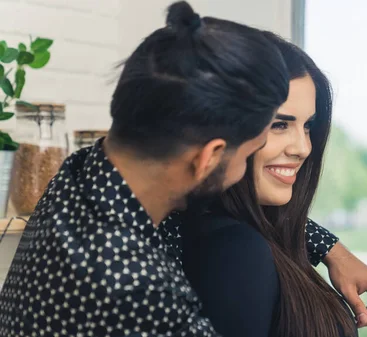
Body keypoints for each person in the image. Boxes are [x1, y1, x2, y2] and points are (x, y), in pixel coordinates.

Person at [0, 2, 290, 336]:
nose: (243, 171)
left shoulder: (76, 177)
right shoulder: (142, 294)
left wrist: (325, 245)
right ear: (208, 157)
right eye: (250, 153)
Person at [181, 32, 367, 337]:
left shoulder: (243, 234)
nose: (303, 147)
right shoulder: (237, 252)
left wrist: (330, 248)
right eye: (279, 125)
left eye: (308, 126)